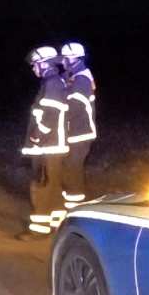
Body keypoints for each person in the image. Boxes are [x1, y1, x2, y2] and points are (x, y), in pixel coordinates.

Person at [19, 45, 70, 238]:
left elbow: (50, 114)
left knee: (42, 186)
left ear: (44, 64)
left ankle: (39, 229)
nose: (33, 69)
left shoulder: (52, 83)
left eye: (35, 65)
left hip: (48, 144)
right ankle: (57, 223)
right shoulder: (53, 82)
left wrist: (37, 136)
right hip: (53, 144)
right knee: (53, 184)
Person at [61, 41, 96, 209]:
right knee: (69, 169)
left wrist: (58, 117)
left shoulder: (81, 79)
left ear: (75, 58)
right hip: (75, 131)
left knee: (72, 170)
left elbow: (74, 106)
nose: (63, 62)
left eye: (66, 58)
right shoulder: (75, 77)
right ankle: (69, 207)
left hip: (80, 132)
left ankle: (75, 209)